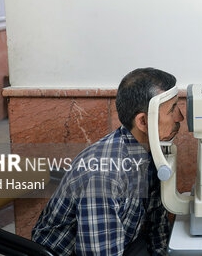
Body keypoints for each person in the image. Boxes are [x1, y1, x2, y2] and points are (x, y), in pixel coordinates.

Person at [32, 67, 185, 256]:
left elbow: (157, 227)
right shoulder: (103, 176)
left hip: (124, 243)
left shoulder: (152, 153)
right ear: (144, 122)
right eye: (172, 110)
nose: (180, 117)